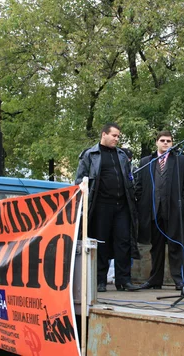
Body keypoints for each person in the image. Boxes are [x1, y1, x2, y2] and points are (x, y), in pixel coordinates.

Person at [75, 123, 140, 292]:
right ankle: (100, 280)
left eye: (118, 136)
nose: (117, 139)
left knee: (123, 242)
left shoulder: (122, 156)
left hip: (122, 205)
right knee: (101, 242)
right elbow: (79, 181)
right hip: (101, 205)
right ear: (104, 134)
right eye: (114, 135)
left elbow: (129, 177)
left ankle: (123, 280)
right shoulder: (90, 155)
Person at [135, 130, 184, 291]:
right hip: (154, 211)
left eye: (169, 140)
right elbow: (139, 188)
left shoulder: (180, 161)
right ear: (157, 142)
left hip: (174, 211)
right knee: (156, 248)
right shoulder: (146, 162)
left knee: (176, 246)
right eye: (162, 140)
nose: (166, 143)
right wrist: (142, 207)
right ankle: (155, 280)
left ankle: (179, 280)